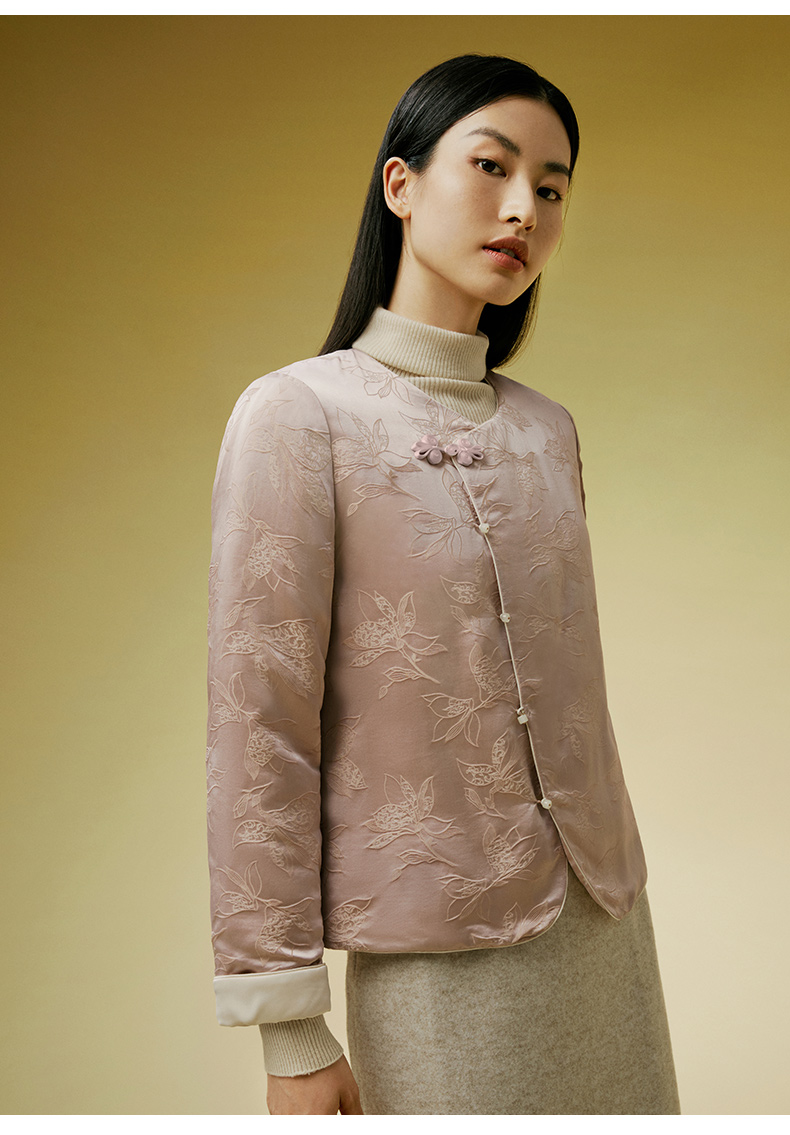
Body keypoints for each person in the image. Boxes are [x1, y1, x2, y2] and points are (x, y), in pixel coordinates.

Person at [205, 53, 680, 1115]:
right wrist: (289, 1025)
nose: (523, 210)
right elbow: (258, 724)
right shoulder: (297, 416)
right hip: (435, 954)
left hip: (604, 926)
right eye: (492, 166)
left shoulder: (547, 431)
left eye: (551, 187)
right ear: (401, 184)